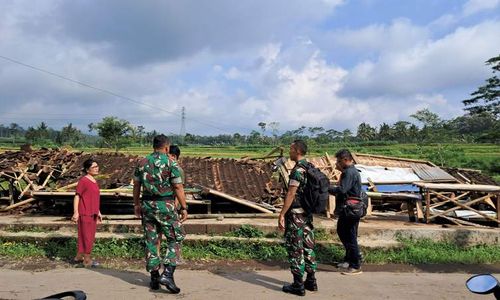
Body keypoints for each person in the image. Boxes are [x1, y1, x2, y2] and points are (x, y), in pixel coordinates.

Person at [133, 135, 188, 293]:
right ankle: (168, 273)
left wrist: (136, 204)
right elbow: (178, 187)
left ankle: (154, 277)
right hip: (166, 206)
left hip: (147, 205)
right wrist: (183, 207)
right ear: (166, 148)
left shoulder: (142, 162)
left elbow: (136, 185)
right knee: (176, 237)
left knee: (151, 240)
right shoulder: (171, 163)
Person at [278, 140, 317, 296]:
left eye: (291, 149)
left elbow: (291, 193)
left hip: (296, 214)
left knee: (295, 247)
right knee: (308, 245)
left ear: (297, 151)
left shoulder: (297, 171)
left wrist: (281, 214)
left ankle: (298, 285)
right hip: (307, 213)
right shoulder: (310, 167)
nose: (289, 152)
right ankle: (311, 281)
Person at [328, 149, 363, 275]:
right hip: (350, 209)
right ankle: (349, 259)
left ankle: (355, 264)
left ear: (345, 160)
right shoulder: (350, 172)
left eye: (338, 161)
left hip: (350, 210)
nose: (337, 163)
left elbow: (342, 190)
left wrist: (327, 188)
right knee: (344, 232)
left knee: (349, 235)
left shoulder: (349, 172)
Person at [71, 158, 102, 267]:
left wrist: (98, 211)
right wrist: (76, 212)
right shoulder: (84, 181)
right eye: (94, 167)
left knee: (88, 236)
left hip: (92, 213)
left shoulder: (94, 181)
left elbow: (94, 198)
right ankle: (87, 260)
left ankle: (79, 256)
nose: (97, 168)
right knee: (87, 237)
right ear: (87, 169)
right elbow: (77, 196)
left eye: (97, 166)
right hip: (85, 213)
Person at [157, 145, 184, 256]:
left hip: (171, 204)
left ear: (173, 156)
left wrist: (177, 207)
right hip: (165, 204)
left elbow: (179, 190)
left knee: (173, 233)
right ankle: (160, 255)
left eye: (166, 155)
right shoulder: (166, 166)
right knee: (161, 233)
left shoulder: (178, 170)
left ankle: (173, 256)